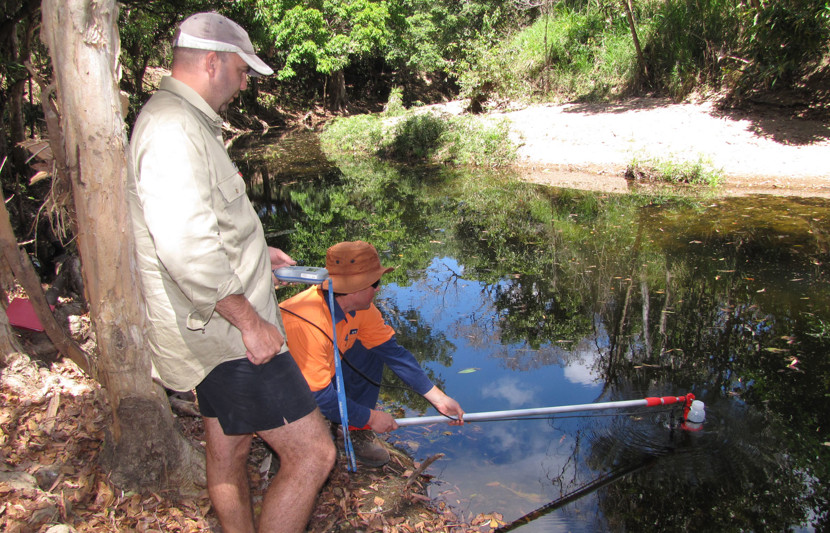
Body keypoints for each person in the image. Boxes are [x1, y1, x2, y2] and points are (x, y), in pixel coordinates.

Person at [126, 12, 335, 533]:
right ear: (213, 61)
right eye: (243, 71)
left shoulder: (185, 122)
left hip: (216, 332)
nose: (246, 83)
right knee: (313, 455)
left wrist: (259, 253)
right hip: (228, 336)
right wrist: (250, 323)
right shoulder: (172, 128)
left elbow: (204, 223)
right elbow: (185, 247)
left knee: (230, 449)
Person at [280, 241, 465, 467]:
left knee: (371, 349)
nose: (378, 289)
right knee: (315, 456)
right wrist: (371, 417)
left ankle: (354, 430)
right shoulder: (304, 322)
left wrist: (439, 399)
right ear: (356, 288)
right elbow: (319, 395)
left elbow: (394, 354)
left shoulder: (362, 310)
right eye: (375, 283)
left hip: (320, 378)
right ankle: (305, 432)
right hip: (285, 391)